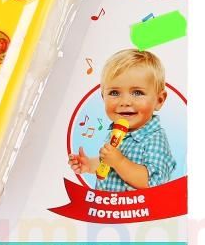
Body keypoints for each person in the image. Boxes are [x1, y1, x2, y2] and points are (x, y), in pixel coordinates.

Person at [69, 49, 176, 191]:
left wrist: (119, 162)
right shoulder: (116, 132)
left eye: (137, 92)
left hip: (136, 206)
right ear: (103, 97)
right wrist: (89, 165)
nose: (125, 102)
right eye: (114, 93)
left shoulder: (155, 139)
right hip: (108, 204)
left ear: (159, 100)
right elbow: (107, 165)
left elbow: (153, 182)